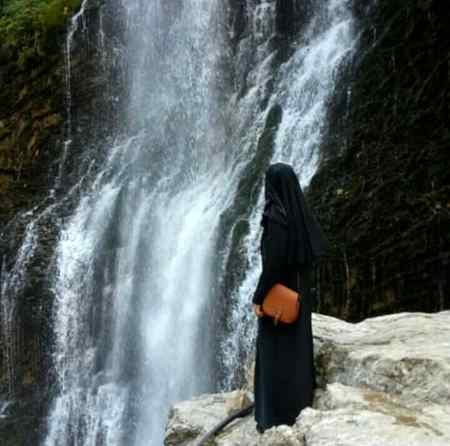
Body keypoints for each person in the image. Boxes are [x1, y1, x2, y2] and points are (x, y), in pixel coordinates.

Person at [252, 162, 328, 433]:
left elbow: (273, 266)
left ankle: (273, 416)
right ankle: (298, 407)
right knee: (297, 354)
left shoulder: (275, 216)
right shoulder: (298, 214)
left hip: (278, 302)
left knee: (275, 358)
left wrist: (258, 298)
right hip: (298, 298)